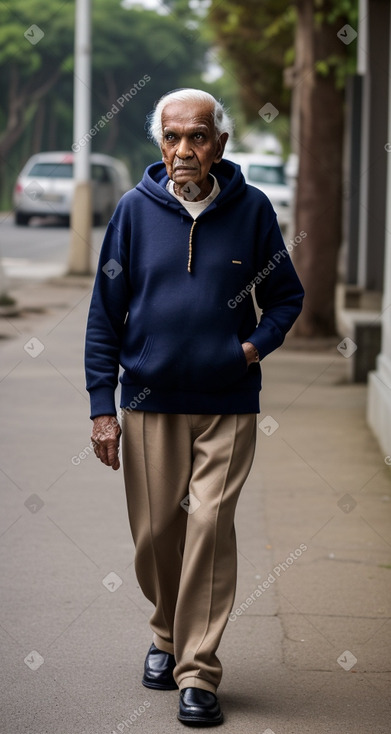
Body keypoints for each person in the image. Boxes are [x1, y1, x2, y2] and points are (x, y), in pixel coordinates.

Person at [85, 88, 304, 727]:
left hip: (226, 401)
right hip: (149, 400)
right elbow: (104, 316)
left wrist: (250, 350)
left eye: (199, 136)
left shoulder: (253, 210)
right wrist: (103, 406)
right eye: (174, 137)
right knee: (156, 534)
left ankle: (199, 671)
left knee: (208, 524)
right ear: (160, 144)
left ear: (220, 143)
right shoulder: (132, 211)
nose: (186, 150)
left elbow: (287, 297)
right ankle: (165, 633)